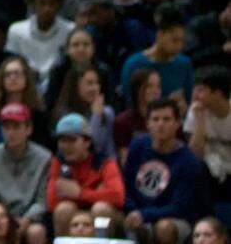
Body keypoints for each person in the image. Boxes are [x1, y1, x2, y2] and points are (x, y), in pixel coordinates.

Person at [123, 99, 202, 244]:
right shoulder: (137, 146)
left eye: (166, 119)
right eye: (155, 119)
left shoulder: (188, 161)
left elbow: (179, 207)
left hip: (174, 218)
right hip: (136, 212)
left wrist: (145, 215)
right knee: (103, 214)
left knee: (164, 228)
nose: (160, 124)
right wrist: (133, 211)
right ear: (147, 124)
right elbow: (125, 186)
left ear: (178, 124)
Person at [0, 103, 51, 244]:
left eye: (16, 127)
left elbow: (42, 201)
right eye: (6, 127)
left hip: (28, 218)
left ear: (29, 129)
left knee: (36, 232)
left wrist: (27, 219)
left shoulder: (44, 158)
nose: (10, 133)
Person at [47, 112, 125, 235]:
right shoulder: (58, 163)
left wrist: (79, 193)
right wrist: (98, 193)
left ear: (87, 142)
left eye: (72, 140)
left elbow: (117, 197)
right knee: (63, 210)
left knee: (101, 209)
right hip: (74, 215)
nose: (66, 146)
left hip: (106, 216)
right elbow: (52, 203)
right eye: (62, 140)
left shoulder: (104, 162)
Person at [121, 4, 194, 102]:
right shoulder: (135, 64)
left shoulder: (184, 64)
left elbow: (189, 101)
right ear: (160, 35)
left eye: (182, 41)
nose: (179, 47)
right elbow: (131, 104)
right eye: (175, 40)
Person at [7, 0, 74, 83]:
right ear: (33, 5)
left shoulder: (70, 30)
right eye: (42, 3)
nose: (47, 8)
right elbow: (11, 61)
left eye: (52, 3)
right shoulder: (16, 30)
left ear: (59, 5)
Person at [185, 66, 231, 210]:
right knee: (194, 168)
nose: (195, 96)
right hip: (209, 171)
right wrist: (200, 120)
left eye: (200, 90)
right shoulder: (196, 111)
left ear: (217, 94)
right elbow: (194, 154)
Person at [52, 65, 116, 159]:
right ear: (75, 86)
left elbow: (100, 148)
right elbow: (89, 148)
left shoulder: (107, 113)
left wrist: (97, 116)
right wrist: (96, 117)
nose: (95, 88)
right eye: (89, 83)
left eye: (97, 83)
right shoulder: (64, 115)